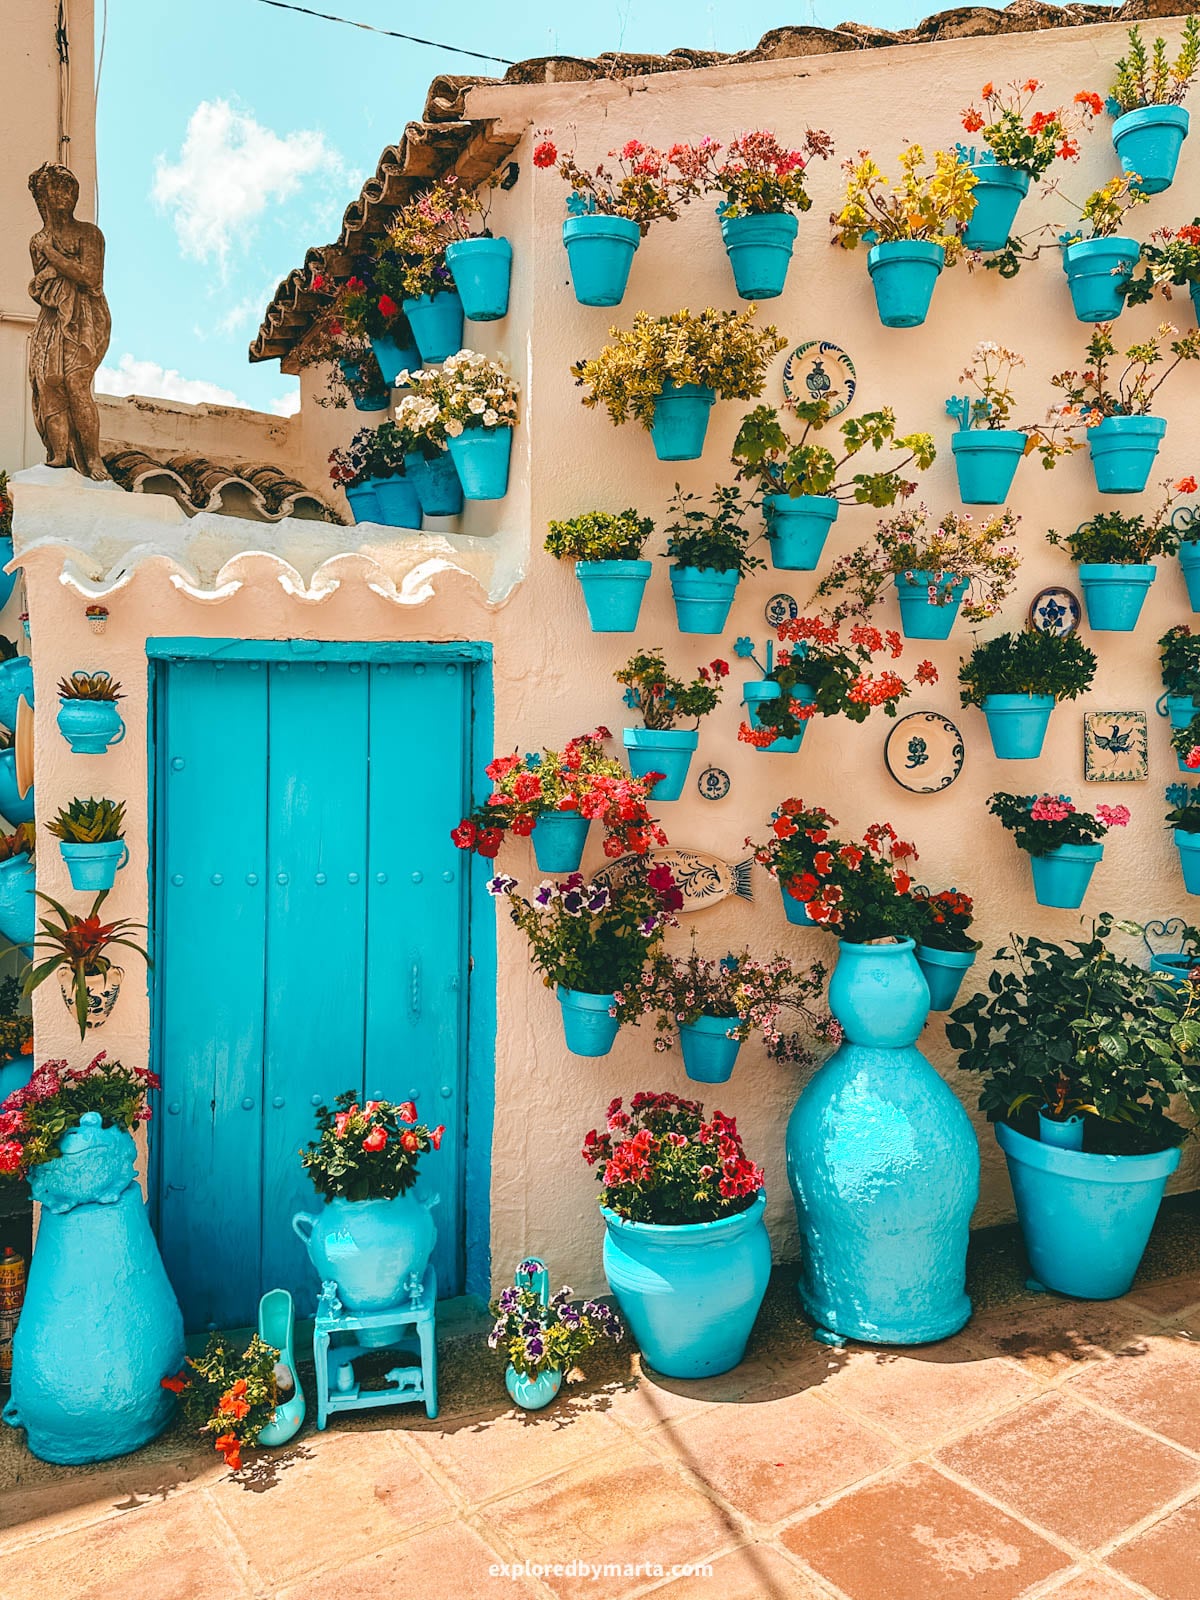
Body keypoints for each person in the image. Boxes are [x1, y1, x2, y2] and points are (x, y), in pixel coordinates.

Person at [27, 163, 111, 480]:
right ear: (43, 196)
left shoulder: (89, 234)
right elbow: (48, 287)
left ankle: (92, 459)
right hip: (53, 317)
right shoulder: (37, 240)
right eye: (56, 189)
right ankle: (59, 454)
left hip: (87, 317)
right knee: (49, 381)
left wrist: (53, 256)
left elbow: (89, 277)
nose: (64, 195)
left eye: (69, 189)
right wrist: (43, 279)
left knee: (76, 383)